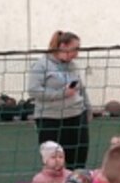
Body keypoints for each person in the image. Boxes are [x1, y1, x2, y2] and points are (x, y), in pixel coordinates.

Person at [28, 31, 91, 169]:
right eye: (75, 49)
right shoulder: (41, 65)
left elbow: (81, 88)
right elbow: (33, 90)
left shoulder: (73, 65)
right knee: (54, 164)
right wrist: (61, 93)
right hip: (50, 119)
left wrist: (88, 108)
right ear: (63, 46)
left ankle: (76, 182)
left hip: (76, 116)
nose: (77, 53)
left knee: (79, 162)